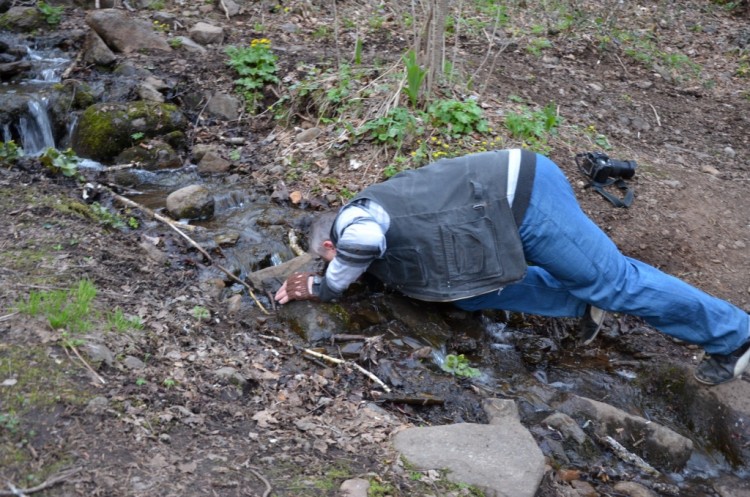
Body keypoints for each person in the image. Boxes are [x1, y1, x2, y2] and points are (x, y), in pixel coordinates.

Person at [274, 149, 750, 386]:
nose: (335, 262)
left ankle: (735, 337)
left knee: (614, 282)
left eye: (327, 255)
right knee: (466, 292)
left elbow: (364, 240)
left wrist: (325, 287)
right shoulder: (368, 240)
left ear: (331, 241)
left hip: (523, 198)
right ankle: (577, 302)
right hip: (492, 221)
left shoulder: (357, 215)